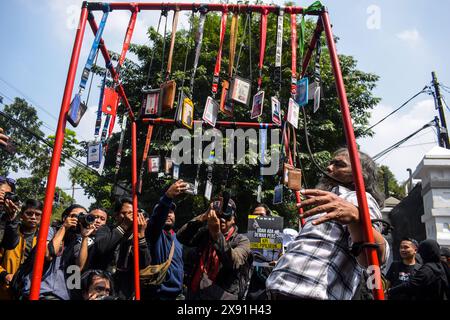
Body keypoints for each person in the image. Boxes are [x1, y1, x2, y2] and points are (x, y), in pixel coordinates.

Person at [266, 148, 390, 300]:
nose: (329, 168)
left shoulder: (360, 199)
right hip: (278, 291)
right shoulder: (330, 202)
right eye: (330, 163)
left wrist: (357, 217)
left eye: (339, 164)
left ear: (359, 174)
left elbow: (370, 257)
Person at [177, 197, 252, 300]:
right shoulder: (205, 234)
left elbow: (234, 262)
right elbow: (181, 237)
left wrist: (217, 235)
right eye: (219, 215)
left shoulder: (242, 240)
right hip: (195, 294)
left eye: (227, 216)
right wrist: (203, 217)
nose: (222, 219)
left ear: (234, 219)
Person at [14, 204, 87, 300]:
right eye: (74, 216)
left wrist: (85, 237)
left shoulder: (79, 240)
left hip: (63, 295)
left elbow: (78, 268)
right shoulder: (50, 230)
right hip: (39, 292)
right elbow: (48, 255)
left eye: (82, 217)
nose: (78, 220)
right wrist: (64, 227)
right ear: (65, 218)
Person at [142, 180, 186, 300]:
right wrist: (168, 197)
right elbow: (157, 219)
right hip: (157, 295)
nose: (168, 214)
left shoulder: (178, 239)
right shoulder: (155, 233)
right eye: (166, 211)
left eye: (171, 212)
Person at [109, 198, 151, 300]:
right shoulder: (108, 231)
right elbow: (102, 247)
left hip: (126, 292)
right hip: (106, 287)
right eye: (124, 213)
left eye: (132, 213)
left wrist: (140, 236)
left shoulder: (138, 235)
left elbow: (145, 263)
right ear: (116, 215)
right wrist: (124, 226)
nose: (128, 217)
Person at [0, 199, 42, 299]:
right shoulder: (9, 232)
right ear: (22, 215)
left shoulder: (44, 238)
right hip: (6, 290)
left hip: (31, 291)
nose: (33, 217)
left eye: (37, 214)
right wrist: (4, 274)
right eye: (29, 213)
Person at [0, 177, 20, 245]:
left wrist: (12, 218)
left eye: (7, 194)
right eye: (2, 192)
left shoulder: (6, 217)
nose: (4, 196)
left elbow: (10, 245)